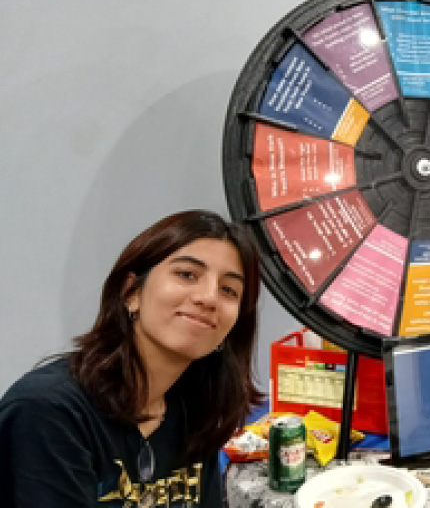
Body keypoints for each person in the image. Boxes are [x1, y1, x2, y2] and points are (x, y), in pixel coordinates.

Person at [0, 209, 263, 507]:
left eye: (229, 290)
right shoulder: (46, 412)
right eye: (187, 275)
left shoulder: (196, 407)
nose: (208, 297)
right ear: (131, 292)